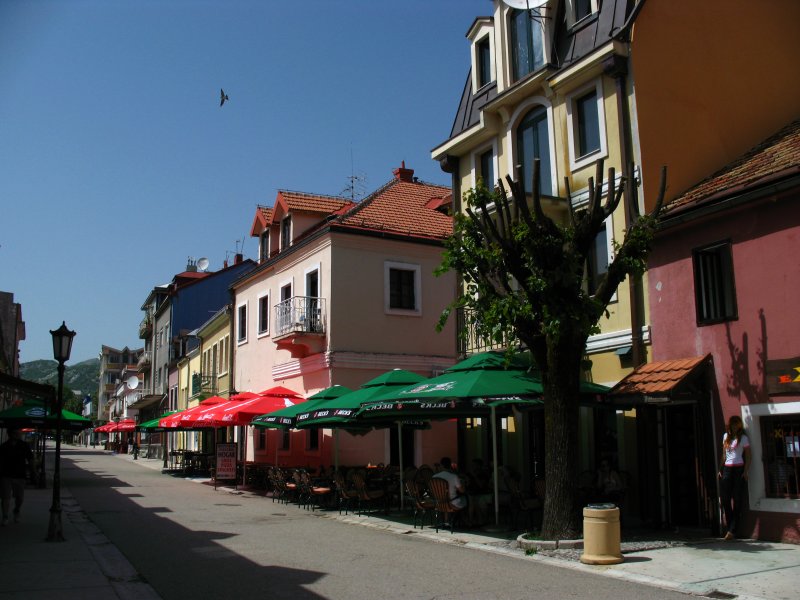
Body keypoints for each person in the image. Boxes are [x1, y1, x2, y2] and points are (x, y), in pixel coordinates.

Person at [718, 414, 750, 541]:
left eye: (737, 424)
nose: (734, 427)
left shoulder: (743, 438)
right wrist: (720, 469)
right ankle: (731, 526)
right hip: (727, 468)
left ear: (739, 426)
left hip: (738, 469)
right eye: (733, 424)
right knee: (725, 499)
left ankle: (732, 530)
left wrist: (746, 471)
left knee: (737, 498)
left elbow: (748, 456)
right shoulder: (725, 437)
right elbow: (724, 455)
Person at [1, 429, 34, 525]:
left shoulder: (24, 445)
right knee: (5, 497)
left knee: (19, 498)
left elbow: (30, 458)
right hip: (6, 475)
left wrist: (33, 471)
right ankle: (5, 516)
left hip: (20, 475)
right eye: (15, 433)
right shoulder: (4, 446)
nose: (17, 434)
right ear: (10, 434)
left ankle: (16, 510)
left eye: (18, 433)